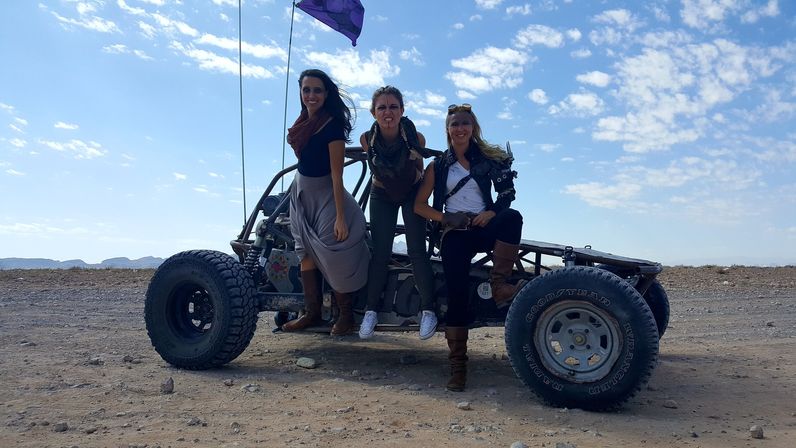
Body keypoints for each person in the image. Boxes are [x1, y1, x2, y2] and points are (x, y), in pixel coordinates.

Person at [414, 103, 524, 391]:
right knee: (457, 291)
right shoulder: (438, 166)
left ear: (473, 127)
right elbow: (419, 206)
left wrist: (493, 213)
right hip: (455, 232)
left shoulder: (487, 160)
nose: (460, 128)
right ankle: (458, 367)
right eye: (454, 124)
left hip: (484, 225)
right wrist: (446, 217)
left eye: (465, 123)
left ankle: (500, 285)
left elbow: (506, 194)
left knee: (512, 218)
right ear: (448, 130)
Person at [282, 68, 369, 336]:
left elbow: (337, 172)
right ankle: (312, 312)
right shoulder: (302, 122)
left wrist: (341, 216)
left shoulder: (331, 124)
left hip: (326, 194)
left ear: (326, 93)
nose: (311, 95)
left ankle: (346, 315)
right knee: (304, 250)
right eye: (306, 90)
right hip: (302, 191)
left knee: (333, 250)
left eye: (317, 90)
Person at [357, 86, 437, 340]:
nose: (388, 112)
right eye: (382, 107)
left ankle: (429, 310)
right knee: (380, 251)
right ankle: (370, 311)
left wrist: (422, 204)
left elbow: (420, 170)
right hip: (381, 194)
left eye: (393, 106)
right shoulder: (366, 139)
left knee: (416, 250)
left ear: (402, 110)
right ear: (373, 112)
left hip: (411, 192)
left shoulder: (417, 138)